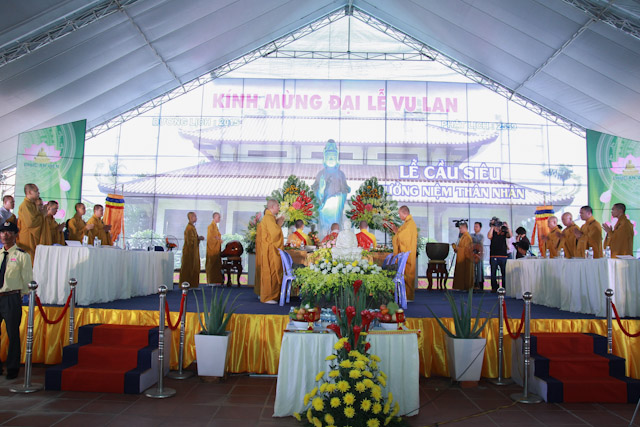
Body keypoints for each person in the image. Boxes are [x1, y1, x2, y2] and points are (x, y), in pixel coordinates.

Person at [0, 221, 32, 379]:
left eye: (9, 232)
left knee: (12, 334)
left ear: (15, 235)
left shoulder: (22, 255)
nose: (5, 235)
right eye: (2, 232)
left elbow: (27, 279)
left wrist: (23, 295)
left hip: (11, 297)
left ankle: (12, 368)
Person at [258, 200, 284, 304]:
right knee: (271, 272)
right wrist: (279, 224)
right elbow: (275, 234)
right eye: (278, 206)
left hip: (269, 249)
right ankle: (269, 296)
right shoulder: (268, 217)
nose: (279, 208)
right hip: (270, 250)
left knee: (271, 271)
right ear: (272, 207)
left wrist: (277, 222)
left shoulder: (270, 217)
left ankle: (270, 295)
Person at [390, 206, 417, 301]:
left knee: (408, 273)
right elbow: (401, 234)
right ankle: (404, 295)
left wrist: (396, 234)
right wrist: (396, 231)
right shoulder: (407, 223)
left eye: (399, 214)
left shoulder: (410, 224)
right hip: (407, 252)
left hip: (408, 253)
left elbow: (402, 238)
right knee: (405, 273)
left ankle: (408, 296)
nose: (399, 215)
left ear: (404, 213)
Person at [16, 184, 43, 263]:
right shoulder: (25, 205)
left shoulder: (32, 204)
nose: (38, 193)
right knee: (27, 261)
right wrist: (43, 216)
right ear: (30, 192)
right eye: (36, 191)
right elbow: (31, 223)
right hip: (27, 238)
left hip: (32, 237)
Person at [179, 212, 204, 288]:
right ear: (191, 217)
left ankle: (193, 284)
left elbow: (194, 239)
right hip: (189, 252)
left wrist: (198, 238)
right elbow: (190, 241)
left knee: (194, 268)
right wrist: (198, 239)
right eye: (195, 216)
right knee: (188, 268)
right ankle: (186, 285)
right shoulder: (189, 228)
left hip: (194, 251)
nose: (196, 218)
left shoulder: (192, 227)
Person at [487, 218, 512, 291]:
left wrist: (507, 227)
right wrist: (492, 226)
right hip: (494, 255)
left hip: (503, 255)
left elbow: (510, 236)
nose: (498, 227)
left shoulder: (503, 232)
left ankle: (504, 287)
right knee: (493, 273)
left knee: (504, 273)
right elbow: (489, 236)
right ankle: (494, 287)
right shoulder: (492, 232)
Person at [452, 222, 473, 290]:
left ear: (465, 228)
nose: (460, 230)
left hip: (465, 259)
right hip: (461, 258)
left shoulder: (467, 237)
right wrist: (456, 248)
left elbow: (467, 249)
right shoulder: (463, 237)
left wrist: (459, 249)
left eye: (461, 228)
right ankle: (460, 287)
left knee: (465, 273)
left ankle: (465, 287)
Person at [205, 212, 223, 285]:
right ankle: (211, 281)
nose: (219, 219)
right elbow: (211, 239)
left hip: (216, 250)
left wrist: (218, 239)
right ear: (215, 217)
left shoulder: (215, 227)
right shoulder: (211, 227)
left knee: (216, 265)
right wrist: (218, 240)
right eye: (218, 217)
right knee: (212, 264)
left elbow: (216, 236)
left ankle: (216, 281)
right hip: (212, 249)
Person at [471, 222, 484, 290]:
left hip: (479, 254)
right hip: (472, 254)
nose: (475, 228)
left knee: (479, 269)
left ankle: (479, 284)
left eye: (476, 226)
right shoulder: (471, 235)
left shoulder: (481, 236)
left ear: (480, 228)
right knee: (473, 270)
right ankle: (473, 284)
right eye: (474, 226)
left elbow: (478, 241)